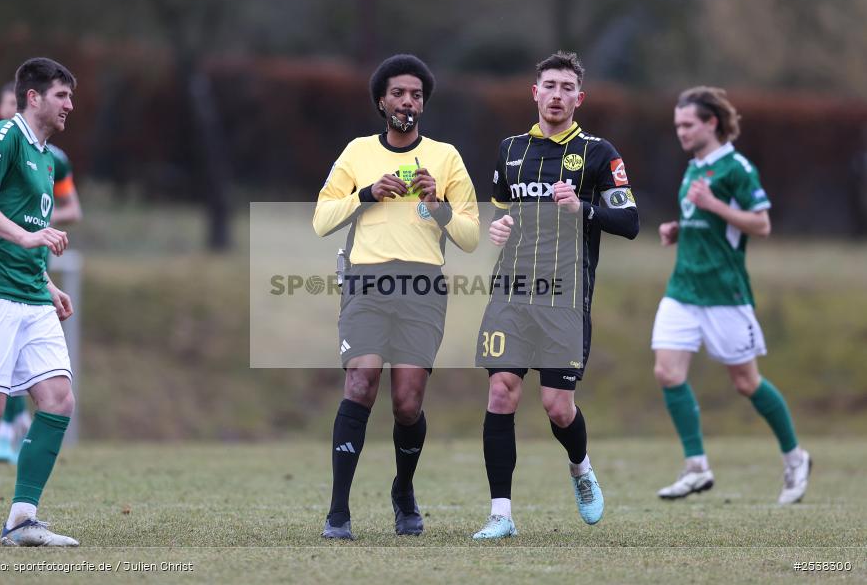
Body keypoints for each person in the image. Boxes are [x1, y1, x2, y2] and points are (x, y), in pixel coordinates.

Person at [472, 51, 639, 539]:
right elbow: (500, 213)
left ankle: (580, 467)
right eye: (550, 85)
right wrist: (498, 225)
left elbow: (629, 222)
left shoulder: (599, 152)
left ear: (579, 98)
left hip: (565, 295)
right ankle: (501, 515)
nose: (558, 95)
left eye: (568, 87)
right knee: (502, 389)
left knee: (556, 406)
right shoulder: (509, 150)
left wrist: (583, 207)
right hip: (511, 289)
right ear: (535, 92)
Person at [313, 54, 479, 539]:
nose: (409, 101)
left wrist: (439, 206)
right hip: (366, 281)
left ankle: (403, 491)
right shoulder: (357, 152)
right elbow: (321, 221)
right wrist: (366, 194)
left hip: (423, 287)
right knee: (361, 380)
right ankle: (338, 512)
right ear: (382, 101)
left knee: (407, 403)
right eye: (400, 93)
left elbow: (470, 236)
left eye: (417, 95)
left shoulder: (445, 157)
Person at [652, 86, 810, 504]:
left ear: (711, 123)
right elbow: (702, 220)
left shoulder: (736, 169)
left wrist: (715, 206)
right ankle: (696, 467)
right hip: (683, 287)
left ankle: (795, 457)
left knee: (746, 382)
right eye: (677, 125)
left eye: (688, 124)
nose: (681, 132)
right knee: (668, 372)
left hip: (724, 292)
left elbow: (761, 225)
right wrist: (678, 229)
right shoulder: (693, 168)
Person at [0, 57, 79, 546]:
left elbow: (27, 230)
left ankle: (21, 518)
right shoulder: (3, 136)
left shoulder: (48, 158)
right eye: (62, 96)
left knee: (58, 400)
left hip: (31, 295)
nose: (70, 105)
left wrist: (47, 282)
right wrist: (28, 240)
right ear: (33, 97)